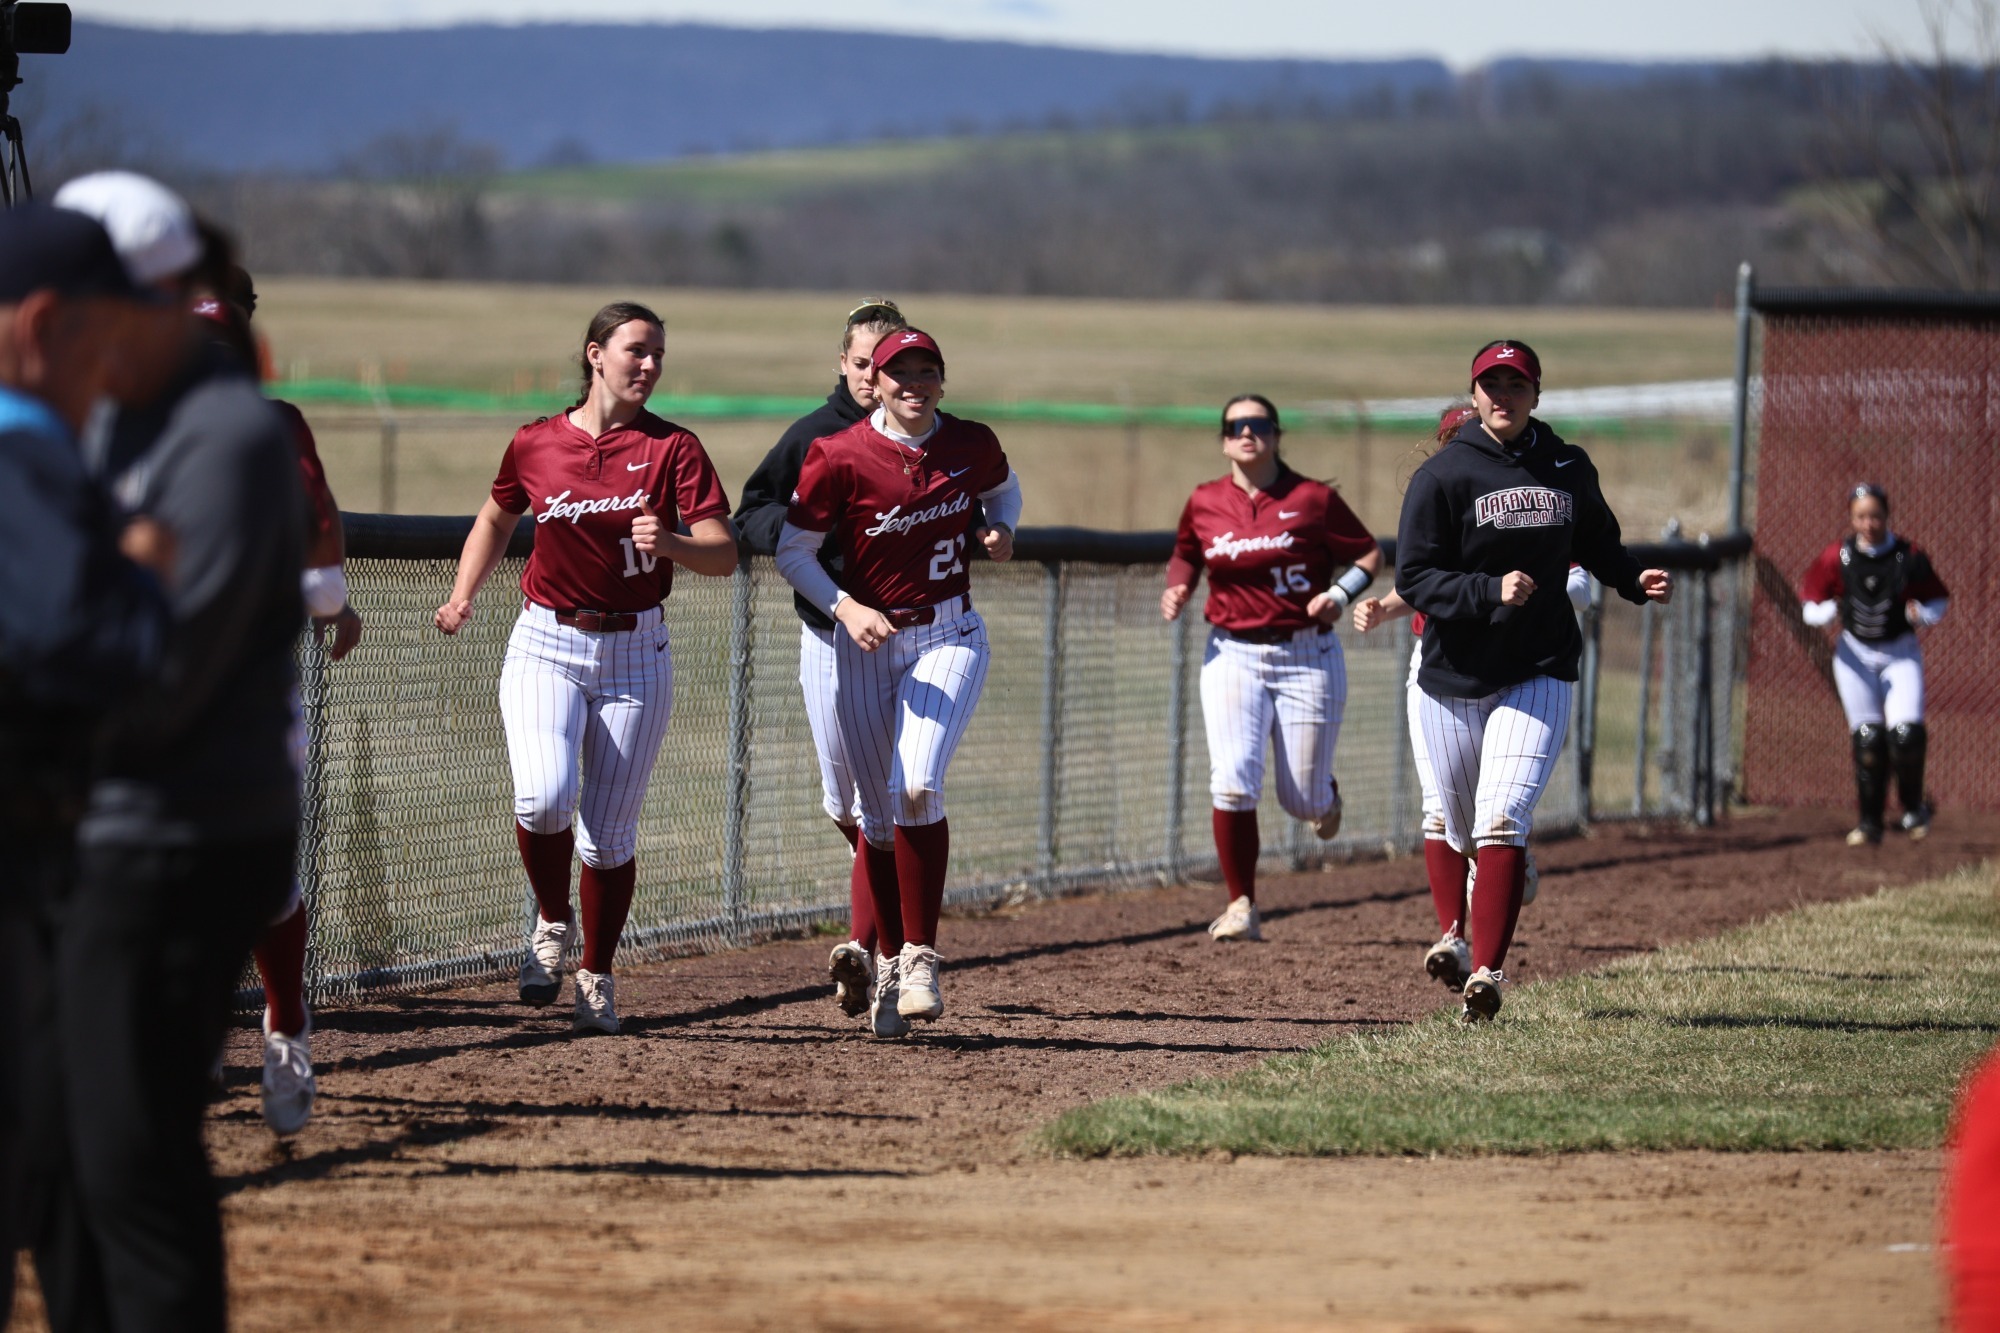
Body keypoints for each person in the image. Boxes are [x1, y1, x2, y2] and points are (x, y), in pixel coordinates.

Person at [35, 180, 307, 1332]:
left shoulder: (225, 432)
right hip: (94, 828)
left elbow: (157, 664)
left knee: (134, 1155)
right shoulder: (104, 421)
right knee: (67, 1149)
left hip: (175, 831)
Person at [435, 301, 736, 1035]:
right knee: (542, 799)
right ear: (595, 354)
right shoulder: (537, 442)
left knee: (607, 834)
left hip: (636, 650)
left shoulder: (675, 449)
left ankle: (596, 974)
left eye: (659, 352)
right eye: (636, 349)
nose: (650, 364)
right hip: (546, 639)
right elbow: (497, 516)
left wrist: (670, 544)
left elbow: (723, 554)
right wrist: (462, 593)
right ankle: (550, 917)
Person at [0, 201, 178, 1333]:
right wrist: (150, 575)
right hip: (21, 868)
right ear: (49, 323)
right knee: (68, 1157)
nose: (121, 365)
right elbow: (83, 643)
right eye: (111, 335)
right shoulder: (22, 452)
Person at [1395, 339, 1670, 1021]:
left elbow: (1600, 544)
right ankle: (1471, 916)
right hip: (1453, 674)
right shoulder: (1443, 476)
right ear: (1474, 392)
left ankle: (1485, 973)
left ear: (1536, 394)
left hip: (1540, 667)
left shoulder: (1567, 465)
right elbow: (1415, 577)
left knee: (1502, 817)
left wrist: (1633, 579)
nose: (1502, 395)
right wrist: (1488, 589)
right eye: (1491, 383)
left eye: (1516, 384)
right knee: (1455, 824)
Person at [774, 328, 1022, 1037]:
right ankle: (884, 961)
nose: (913, 382)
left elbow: (1004, 491)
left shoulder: (969, 442)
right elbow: (794, 551)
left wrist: (1003, 529)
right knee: (874, 819)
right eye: (898, 371)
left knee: (916, 784)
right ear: (873, 382)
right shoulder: (839, 454)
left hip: (947, 631)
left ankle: (919, 955)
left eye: (927, 370)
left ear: (943, 380)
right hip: (864, 641)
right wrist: (845, 606)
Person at [1352, 405, 1591, 985]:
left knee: (1500, 811)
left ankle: (1487, 952)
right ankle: (1451, 934)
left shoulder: (1539, 495)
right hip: (1442, 668)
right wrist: (1386, 605)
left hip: (1524, 663)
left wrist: (1543, 597)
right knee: (1443, 809)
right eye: (1454, 437)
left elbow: (1580, 576)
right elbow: (1425, 576)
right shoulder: (1440, 491)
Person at [733, 298, 910, 1020]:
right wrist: (810, 523)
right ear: (843, 363)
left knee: (886, 802)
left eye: (889, 363)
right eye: (863, 362)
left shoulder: (921, 437)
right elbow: (753, 512)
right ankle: (887, 883)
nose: (875, 375)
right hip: (829, 637)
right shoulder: (815, 436)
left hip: (911, 641)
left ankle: (875, 952)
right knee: (847, 804)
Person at [1161, 394, 1382, 942]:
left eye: (1259, 424)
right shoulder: (1205, 499)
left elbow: (1368, 556)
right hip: (1232, 652)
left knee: (1299, 799)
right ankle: (1242, 904)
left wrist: (1339, 593)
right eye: (1235, 425)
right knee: (1233, 782)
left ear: (1277, 435)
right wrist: (1178, 584)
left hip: (1306, 652)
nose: (1247, 433)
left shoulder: (1312, 498)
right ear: (1223, 439)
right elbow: (1187, 550)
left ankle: (1324, 798)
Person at [1799, 483, 1948, 846]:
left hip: (1899, 651)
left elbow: (1937, 598)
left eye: (1876, 515)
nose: (1869, 523)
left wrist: (1922, 613)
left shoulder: (1907, 555)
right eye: (1861, 516)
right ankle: (1869, 822)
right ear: (1851, 518)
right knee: (1868, 738)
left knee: (1905, 734)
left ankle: (1913, 808)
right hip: (1855, 655)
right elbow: (1810, 598)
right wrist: (1823, 612)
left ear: (1887, 515)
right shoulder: (1839, 556)